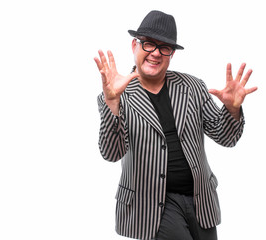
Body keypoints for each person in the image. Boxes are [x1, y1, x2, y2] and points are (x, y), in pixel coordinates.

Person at [94, 10, 257, 240]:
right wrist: (112, 102)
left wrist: (231, 109)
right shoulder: (116, 95)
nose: (155, 54)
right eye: (149, 44)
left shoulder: (193, 87)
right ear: (134, 46)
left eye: (164, 48)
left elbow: (226, 137)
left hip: (200, 200)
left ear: (171, 54)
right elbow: (112, 153)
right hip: (151, 206)